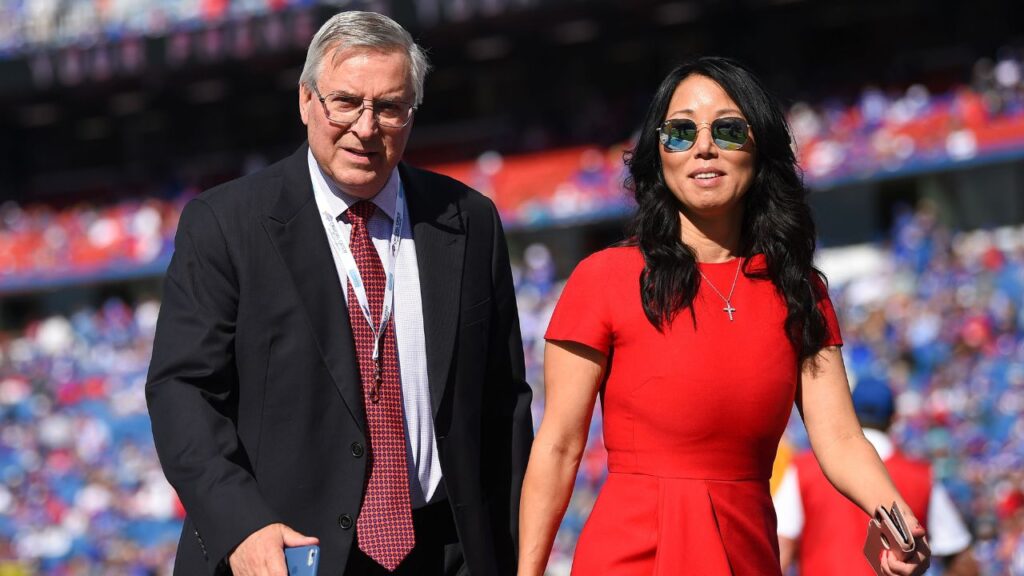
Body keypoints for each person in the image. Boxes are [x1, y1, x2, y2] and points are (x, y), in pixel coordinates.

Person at [146, 11, 532, 576]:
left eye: (390, 107)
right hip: (285, 552)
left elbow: (504, 403)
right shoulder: (225, 223)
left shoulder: (468, 220)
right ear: (306, 101)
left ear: (412, 113)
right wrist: (241, 526)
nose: (366, 127)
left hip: (448, 551)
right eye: (346, 102)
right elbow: (181, 391)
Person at [517, 56, 931, 576]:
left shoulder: (800, 290)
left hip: (748, 553)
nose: (703, 147)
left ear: (760, 150)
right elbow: (558, 445)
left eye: (729, 130)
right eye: (681, 131)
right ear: (658, 153)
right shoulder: (603, 278)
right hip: (628, 556)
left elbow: (842, 439)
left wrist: (897, 525)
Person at [774, 376, 976, 575]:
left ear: (848, 411)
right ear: (893, 418)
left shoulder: (804, 469)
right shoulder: (922, 477)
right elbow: (960, 559)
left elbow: (781, 549)